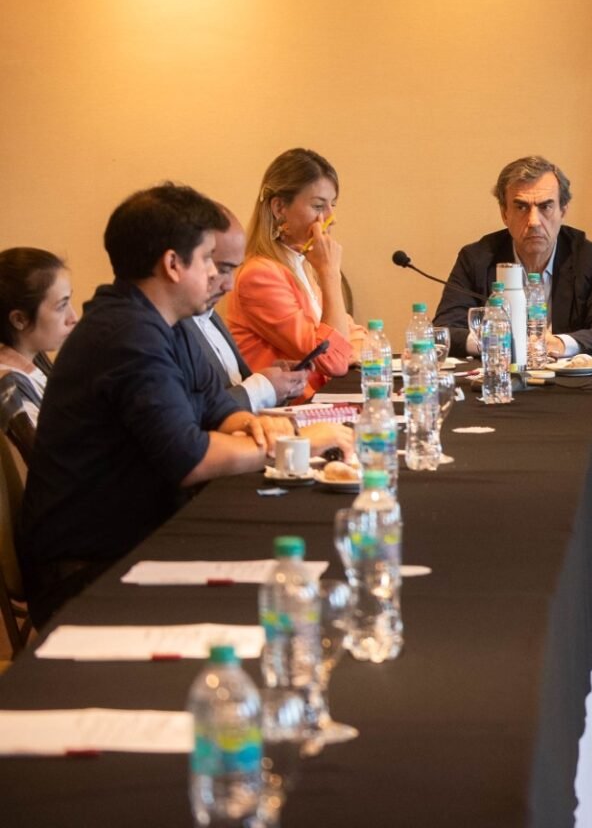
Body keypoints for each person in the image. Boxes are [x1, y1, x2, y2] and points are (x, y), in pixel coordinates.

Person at [19, 184, 351, 625]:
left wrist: (252, 426)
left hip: (136, 538)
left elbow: (217, 408)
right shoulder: (126, 334)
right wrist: (295, 442)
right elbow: (189, 459)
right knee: (298, 592)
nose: (217, 277)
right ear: (173, 265)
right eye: (209, 260)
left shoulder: (164, 321)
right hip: (91, 572)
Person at [433, 156, 592, 358]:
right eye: (521, 207)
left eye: (545, 207)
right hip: (499, 373)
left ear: (563, 211)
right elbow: (444, 330)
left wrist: (560, 344)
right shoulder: (476, 258)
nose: (534, 221)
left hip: (567, 375)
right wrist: (495, 343)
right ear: (505, 214)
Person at [226, 149, 359, 399]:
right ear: (279, 207)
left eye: (332, 205)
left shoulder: (301, 264)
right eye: (318, 206)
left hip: (317, 401)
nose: (331, 218)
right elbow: (333, 360)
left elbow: (351, 331)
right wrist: (330, 273)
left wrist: (349, 348)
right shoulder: (260, 276)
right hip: (287, 410)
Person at [184, 207, 309, 411]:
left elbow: (235, 387)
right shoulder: (168, 327)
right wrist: (263, 388)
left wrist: (275, 385)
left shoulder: (210, 315)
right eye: (222, 269)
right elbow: (194, 413)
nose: (229, 285)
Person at [0, 248, 77, 462]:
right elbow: (55, 467)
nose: (73, 317)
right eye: (61, 306)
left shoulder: (35, 360)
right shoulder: (11, 388)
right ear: (20, 319)